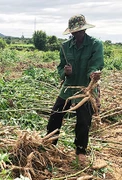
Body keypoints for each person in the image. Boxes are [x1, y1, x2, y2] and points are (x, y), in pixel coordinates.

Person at [46, 14, 104, 164]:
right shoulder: (65, 47)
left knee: (84, 120)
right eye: (74, 32)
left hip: (86, 88)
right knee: (56, 114)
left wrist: (93, 73)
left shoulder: (95, 45)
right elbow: (60, 67)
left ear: (84, 30)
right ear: (71, 32)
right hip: (69, 87)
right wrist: (65, 72)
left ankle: (80, 150)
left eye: (80, 31)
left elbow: (96, 64)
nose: (77, 34)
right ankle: (50, 144)